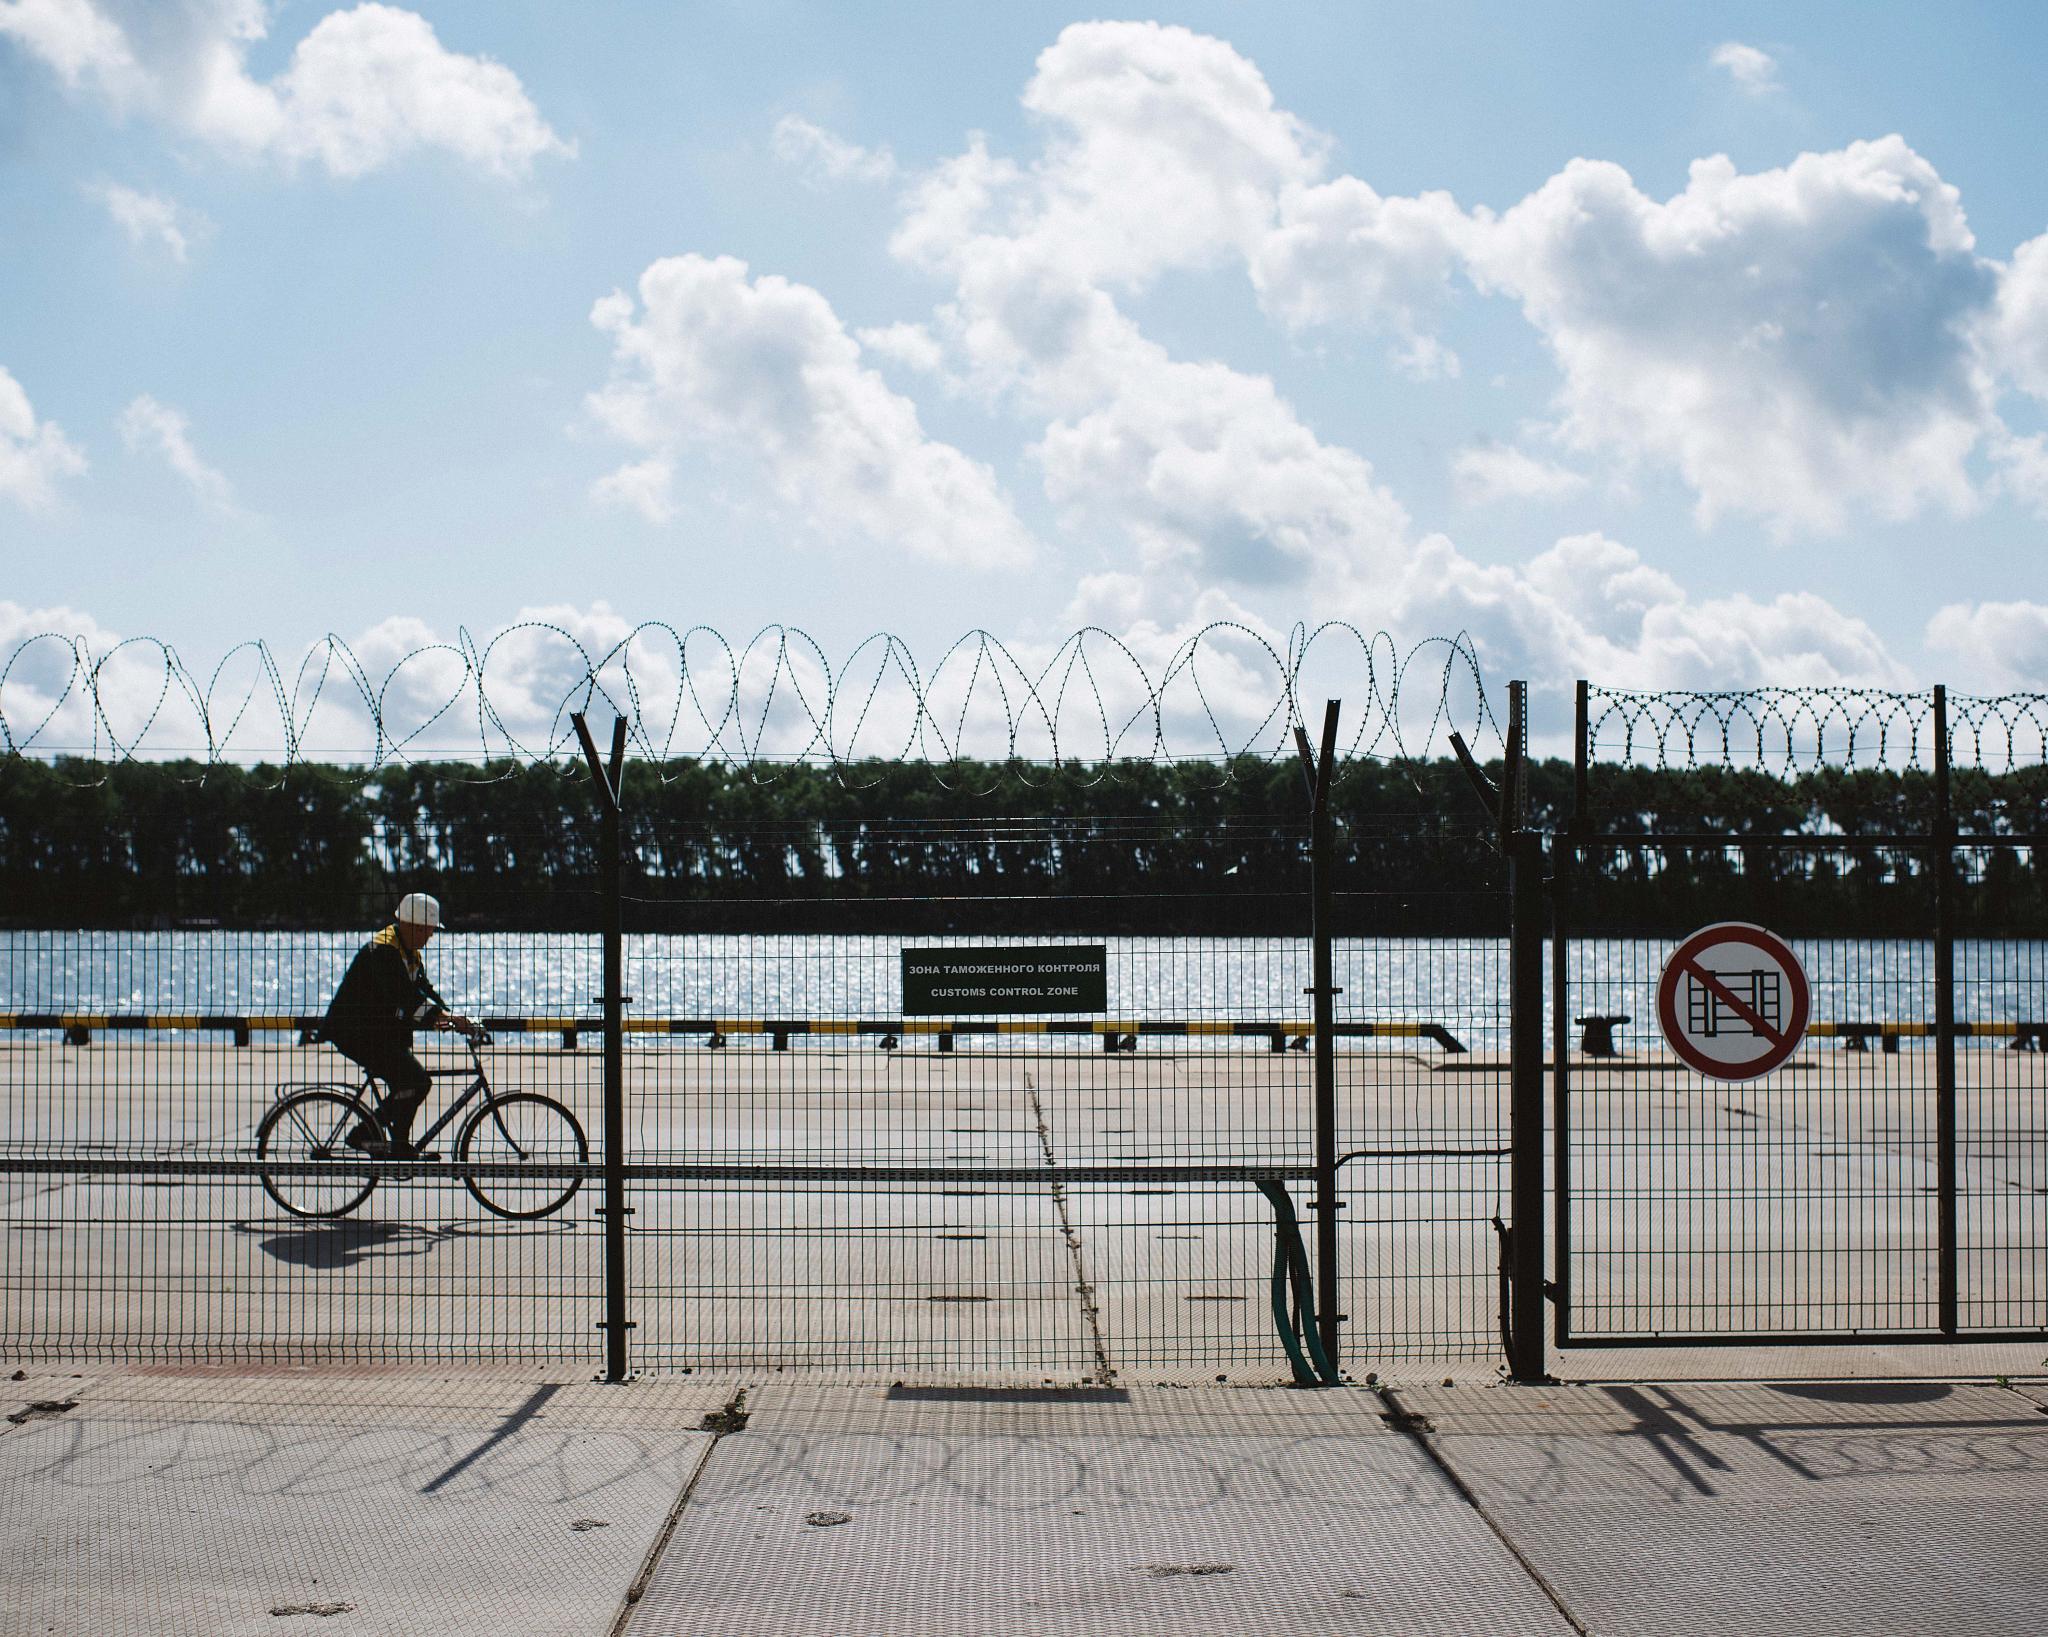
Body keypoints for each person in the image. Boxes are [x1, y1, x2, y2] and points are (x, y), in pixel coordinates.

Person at [318, 892, 481, 1158]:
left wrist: (450, 1015)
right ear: (410, 925)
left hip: (378, 1032)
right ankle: (366, 1135)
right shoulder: (383, 950)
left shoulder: (408, 952)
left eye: (431, 930)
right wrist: (443, 1017)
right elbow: (404, 996)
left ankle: (398, 1146)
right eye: (426, 930)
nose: (430, 936)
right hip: (355, 1032)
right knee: (415, 1081)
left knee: (412, 1083)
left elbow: (423, 990)